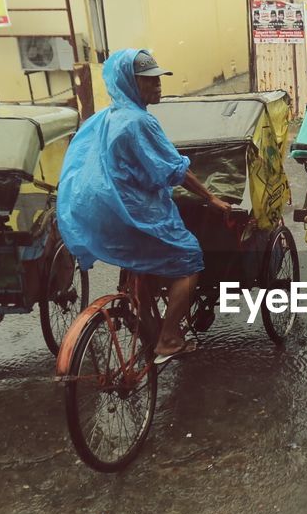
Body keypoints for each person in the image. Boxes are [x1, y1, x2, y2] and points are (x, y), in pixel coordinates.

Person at [58, 48, 230, 361]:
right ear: (128, 83)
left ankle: (151, 332)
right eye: (147, 81)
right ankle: (168, 338)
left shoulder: (103, 118)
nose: (157, 85)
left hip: (99, 211)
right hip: (132, 214)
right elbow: (175, 170)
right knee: (188, 258)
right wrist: (212, 198)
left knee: (139, 264)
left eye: (158, 79)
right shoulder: (140, 122)